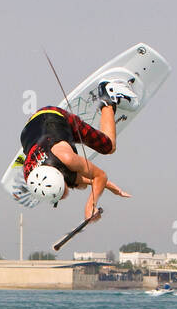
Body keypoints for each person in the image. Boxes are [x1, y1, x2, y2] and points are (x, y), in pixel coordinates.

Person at [20, 81, 136, 219]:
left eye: (61, 192)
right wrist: (108, 186)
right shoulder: (30, 175)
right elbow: (84, 180)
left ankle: (108, 96)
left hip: (53, 116)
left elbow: (100, 175)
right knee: (79, 185)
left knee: (108, 147)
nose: (64, 197)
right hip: (30, 128)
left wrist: (90, 205)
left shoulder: (67, 158)